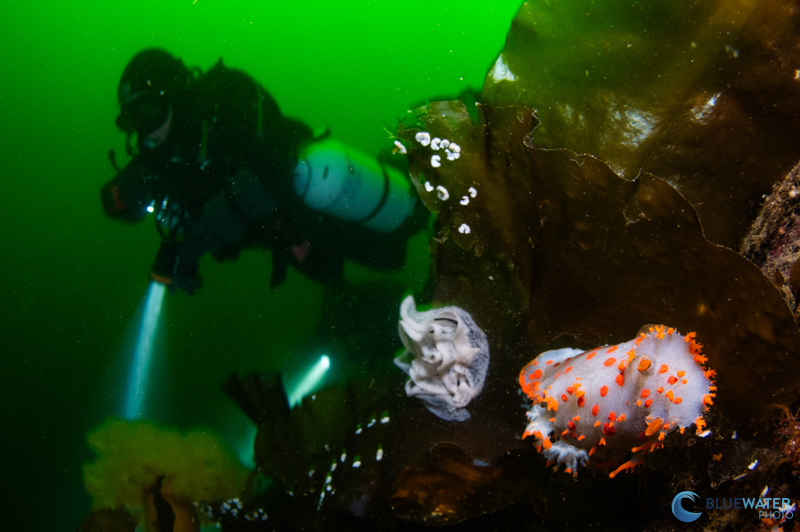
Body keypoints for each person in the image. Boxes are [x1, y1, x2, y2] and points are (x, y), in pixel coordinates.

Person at [101, 48, 427, 294]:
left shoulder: (227, 98)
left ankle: (431, 146)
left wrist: (190, 250)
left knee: (396, 241)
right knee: (363, 266)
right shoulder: (165, 148)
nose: (145, 132)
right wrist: (119, 196)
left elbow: (265, 177)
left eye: (149, 113)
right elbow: (139, 184)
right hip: (282, 233)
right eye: (133, 121)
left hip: (307, 202)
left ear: (175, 97)